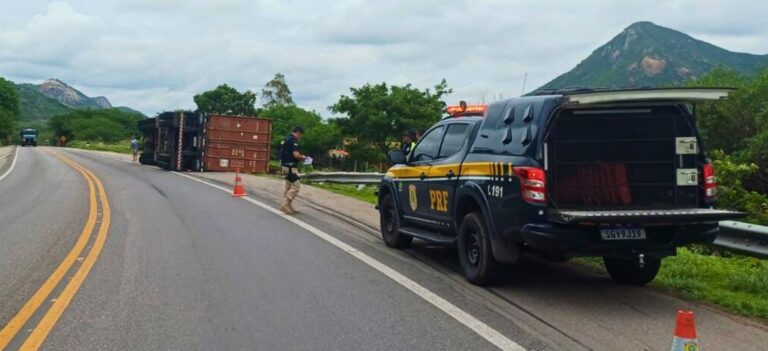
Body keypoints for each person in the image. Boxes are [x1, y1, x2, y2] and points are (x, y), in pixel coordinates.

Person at [279, 127, 307, 215]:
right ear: (298, 133)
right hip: (291, 167)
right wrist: (303, 157)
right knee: (296, 186)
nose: (300, 138)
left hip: (284, 166)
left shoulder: (285, 139)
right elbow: (296, 155)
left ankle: (289, 206)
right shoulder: (293, 141)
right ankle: (285, 204)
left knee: (288, 186)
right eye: (301, 136)